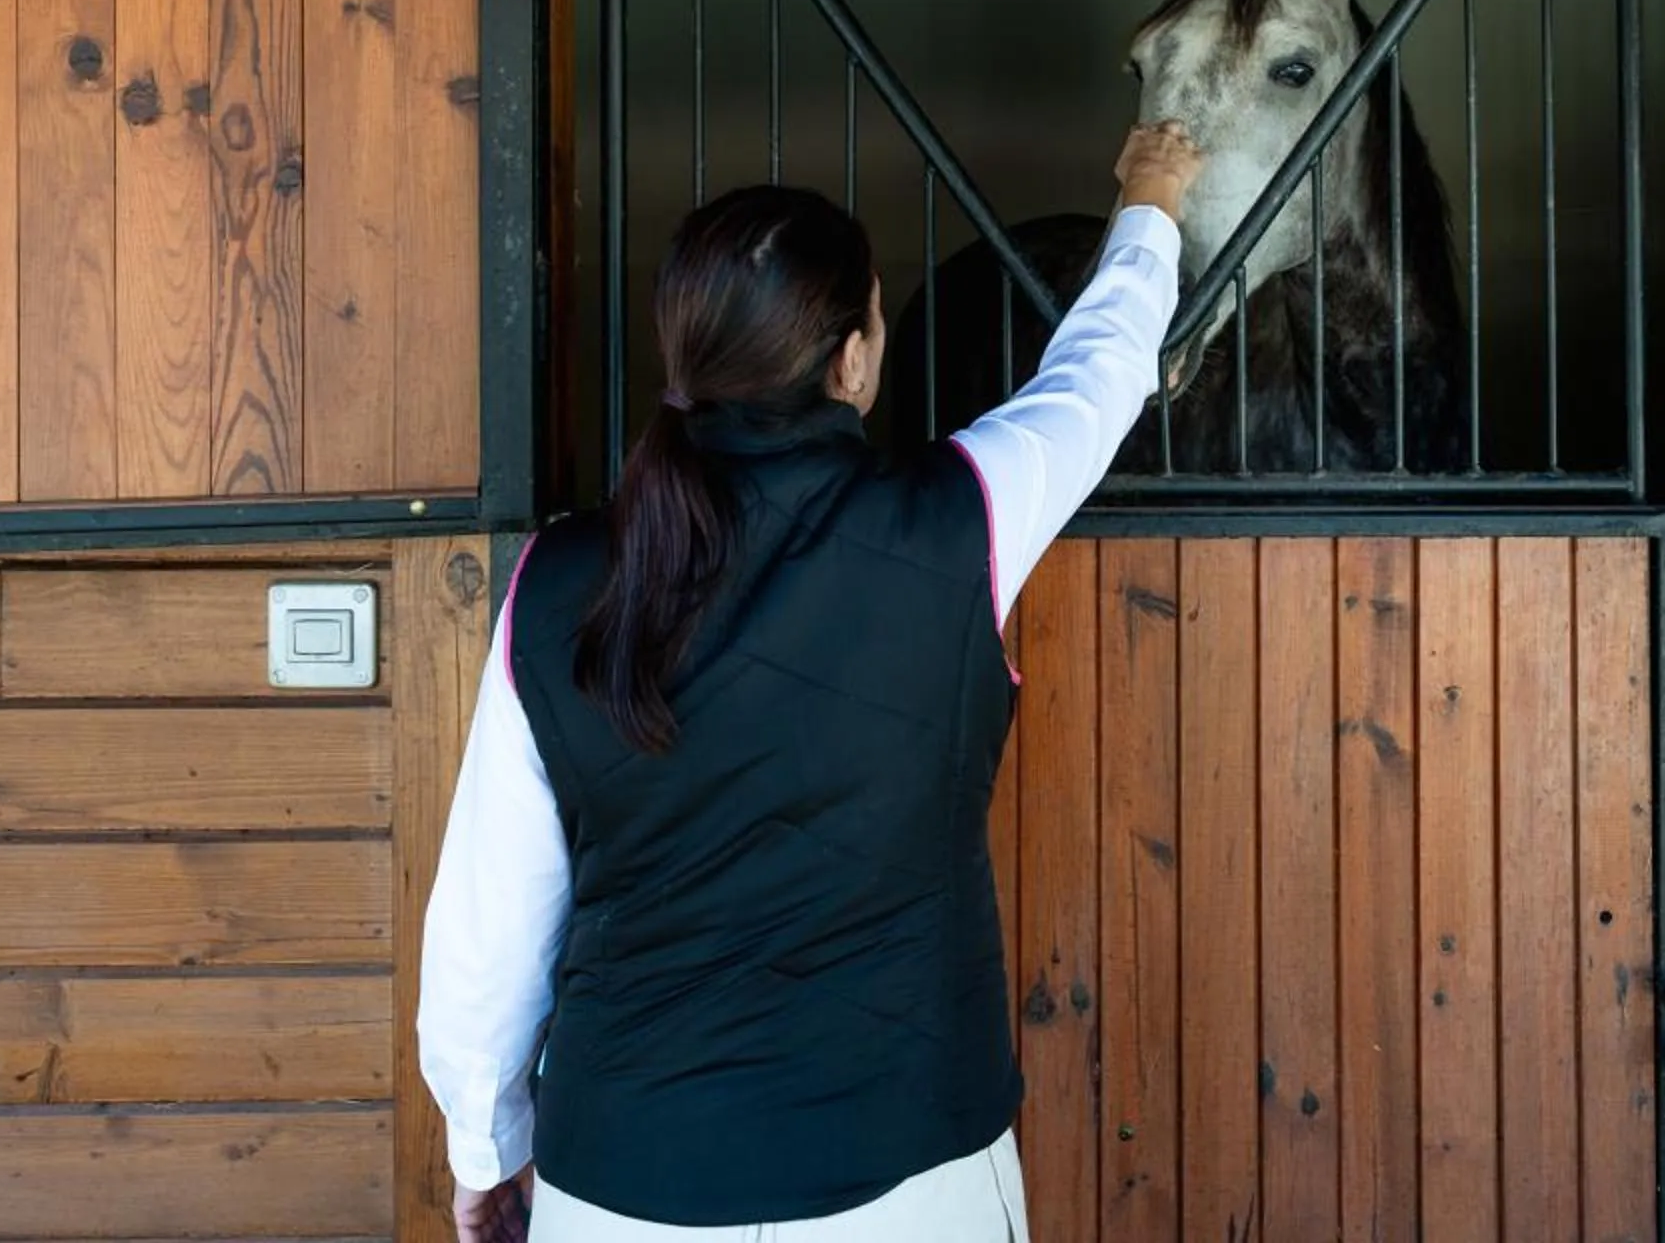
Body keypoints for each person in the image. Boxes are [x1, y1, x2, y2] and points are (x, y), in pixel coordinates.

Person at [419, 122, 1204, 1243]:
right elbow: (1104, 368)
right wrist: (1152, 196)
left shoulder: (556, 580)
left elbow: (489, 929)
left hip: (627, 1179)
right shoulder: (959, 518)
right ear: (851, 358)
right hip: (912, 1169)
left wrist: (486, 1149)